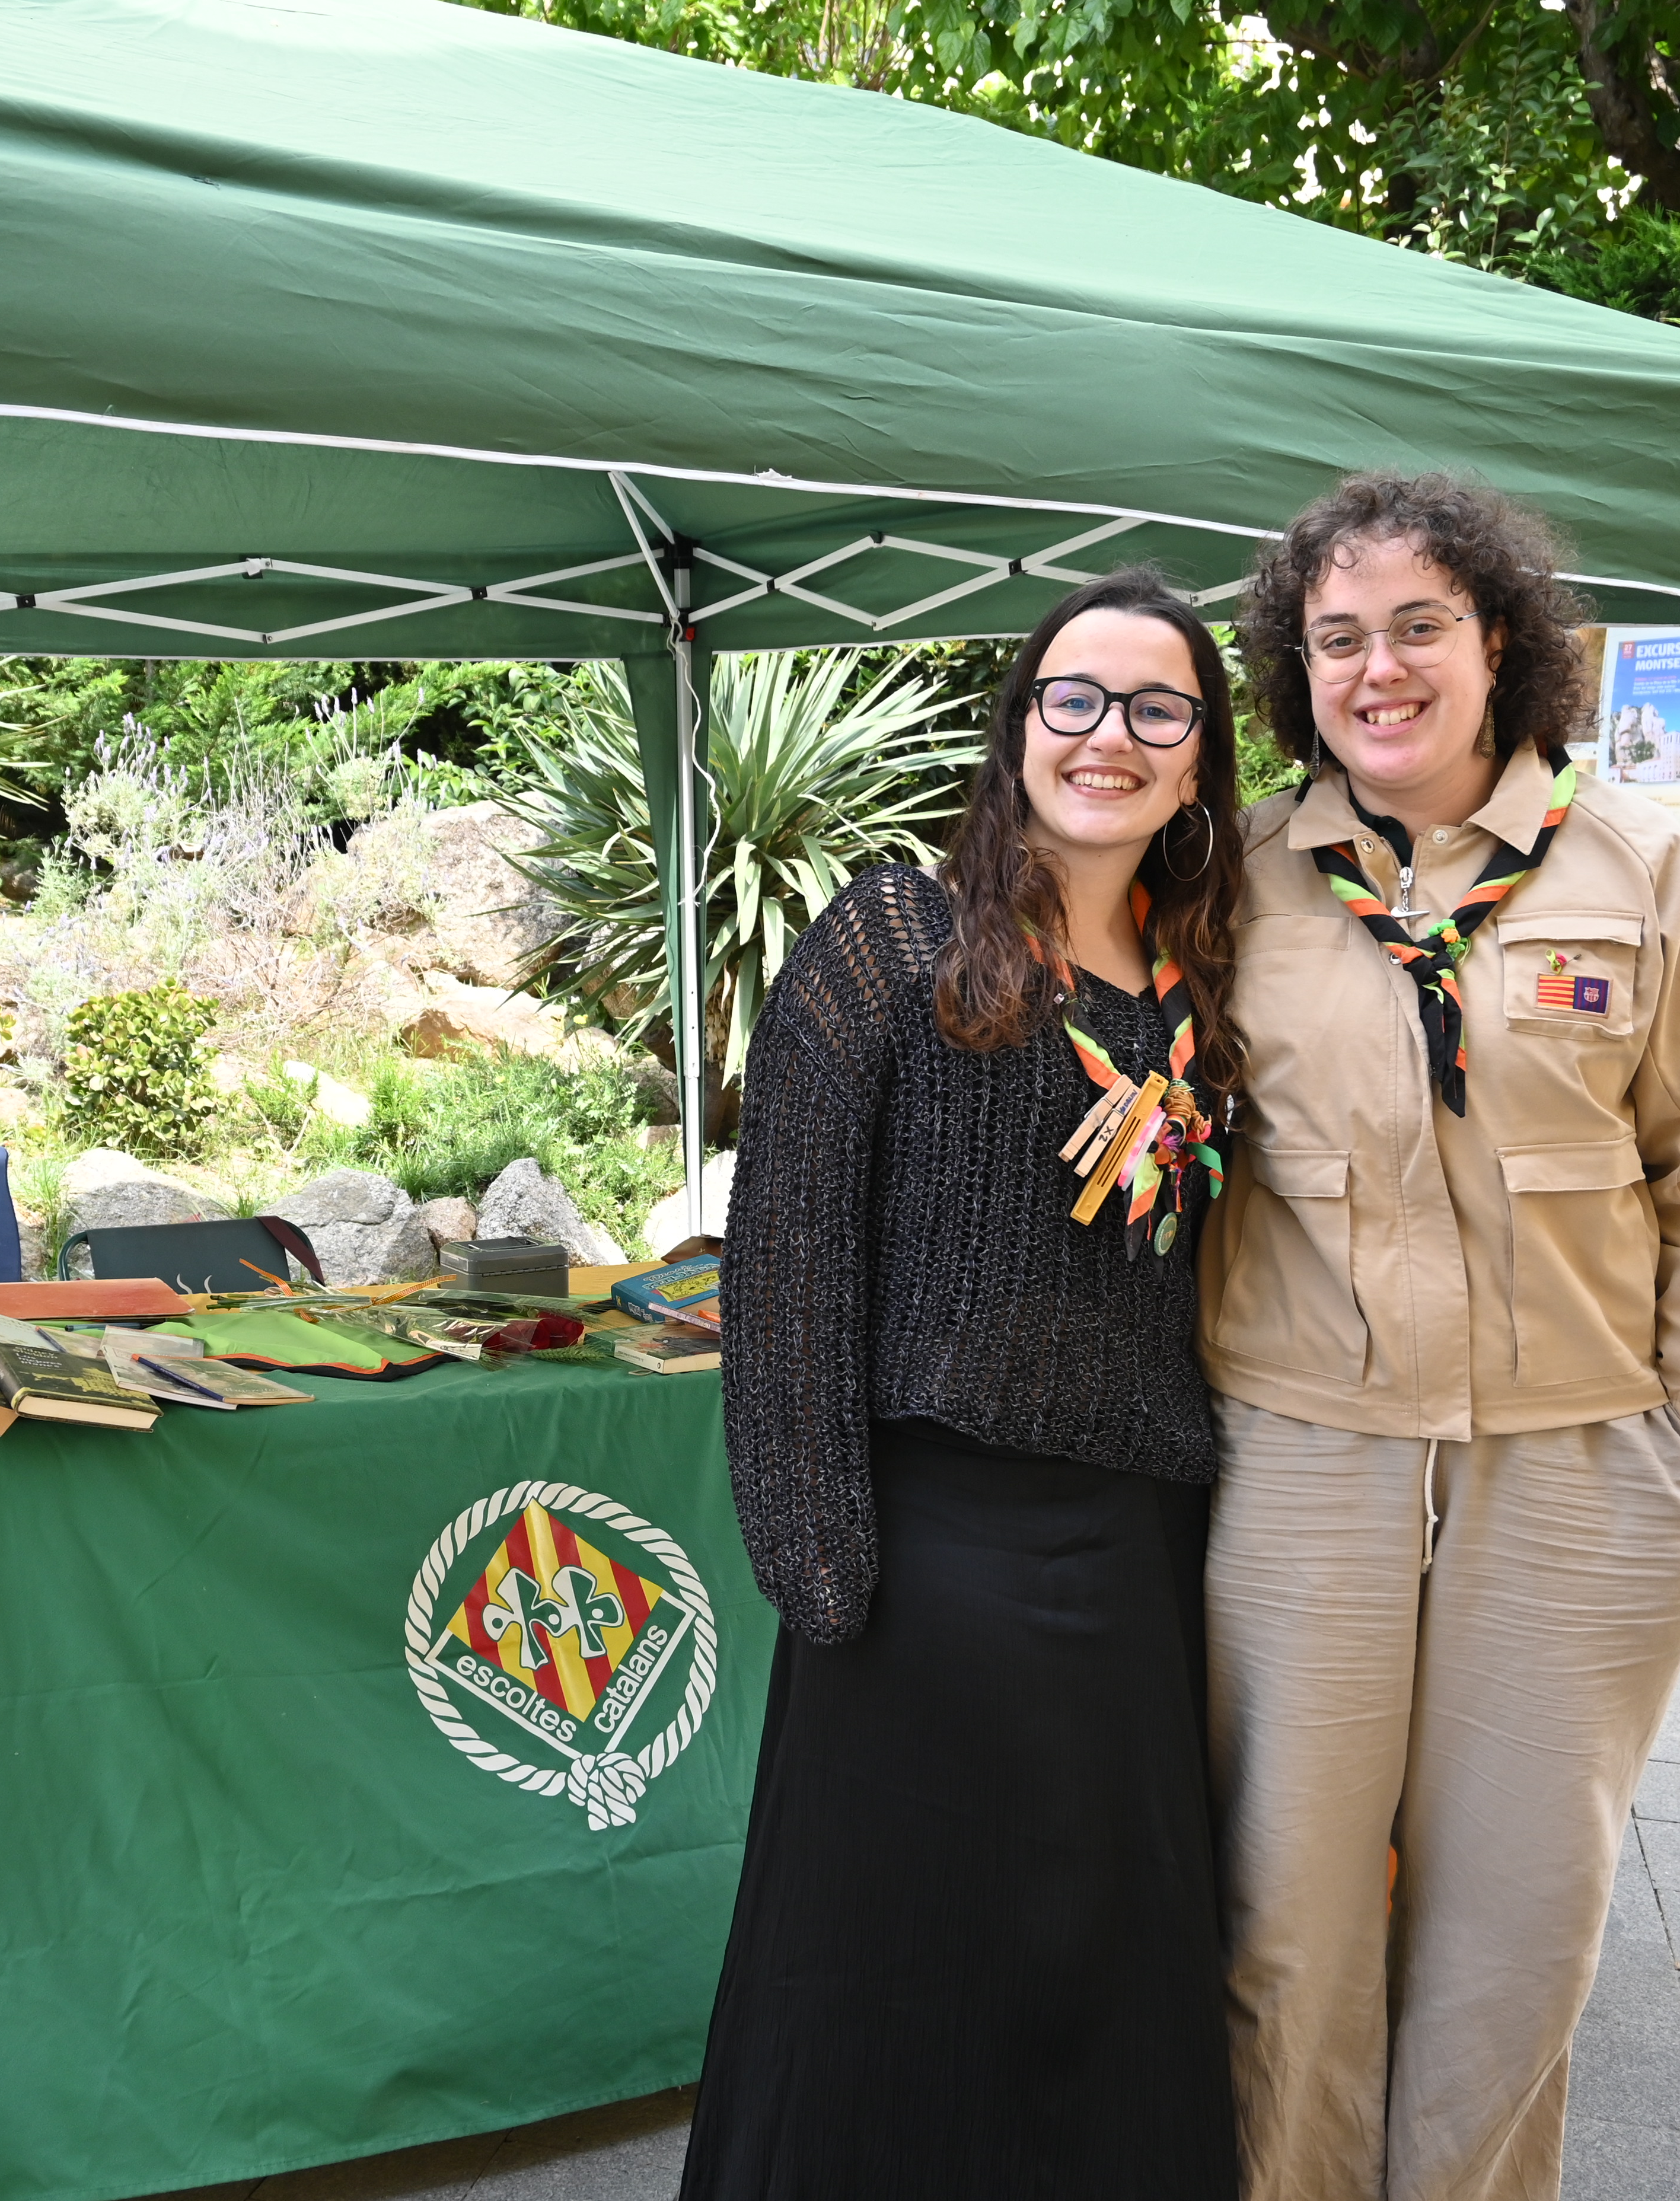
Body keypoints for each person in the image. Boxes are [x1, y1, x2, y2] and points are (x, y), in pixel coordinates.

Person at [1200, 471, 1680, 2201]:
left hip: (1582, 1471)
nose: (1376, 669)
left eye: (1418, 627)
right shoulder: (1235, 881)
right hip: (1303, 1466)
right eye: (1335, 639)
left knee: (1517, 1926)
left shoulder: (1647, 873)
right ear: (1294, 669)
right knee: (1283, 1915)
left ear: (1503, 642)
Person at [680, 567, 1248, 2200]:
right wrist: (818, 1555)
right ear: (1017, 733)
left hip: (1135, 1558)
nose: (1110, 736)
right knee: (882, 1981)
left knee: (1101, 1974)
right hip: (921, 1558)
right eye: (1074, 698)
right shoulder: (893, 940)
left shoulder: (1204, 992)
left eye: (1157, 709)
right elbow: (784, 1259)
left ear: (1201, 760)